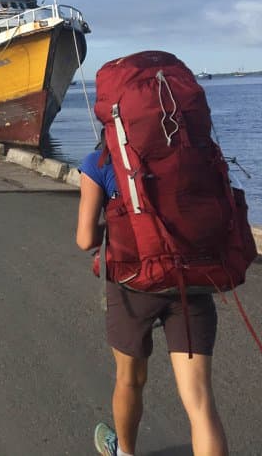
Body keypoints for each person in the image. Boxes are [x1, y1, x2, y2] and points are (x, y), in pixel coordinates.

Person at [76, 134, 229, 456]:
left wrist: (120, 226)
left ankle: (125, 452)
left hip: (133, 287)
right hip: (191, 283)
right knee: (200, 401)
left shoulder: (99, 163)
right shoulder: (191, 157)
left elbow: (85, 239)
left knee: (130, 379)